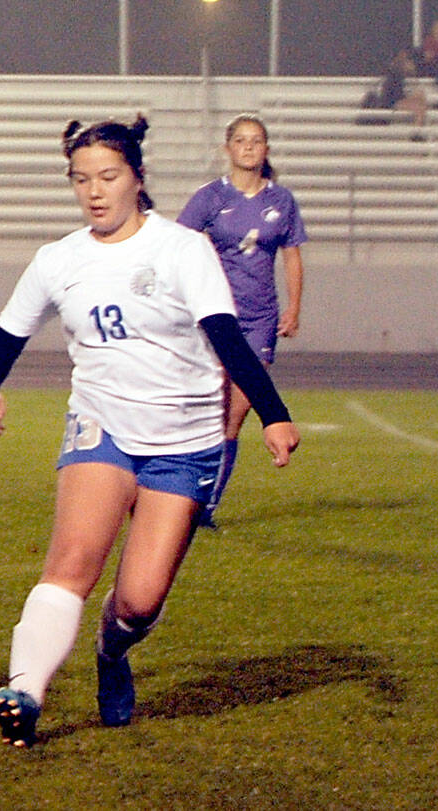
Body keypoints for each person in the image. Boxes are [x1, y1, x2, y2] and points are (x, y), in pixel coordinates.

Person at [0, 116, 299, 748]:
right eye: (81, 179)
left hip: (184, 440)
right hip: (104, 426)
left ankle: (111, 653)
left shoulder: (181, 250)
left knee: (140, 602)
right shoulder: (58, 260)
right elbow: (7, 336)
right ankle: (24, 692)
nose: (94, 191)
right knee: (71, 563)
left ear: (138, 179)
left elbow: (228, 339)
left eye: (109, 177)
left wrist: (274, 413)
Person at [176, 113, 307, 529]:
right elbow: (177, 246)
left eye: (257, 141)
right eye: (242, 140)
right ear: (228, 148)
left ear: (266, 150)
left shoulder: (281, 201)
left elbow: (292, 254)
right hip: (214, 317)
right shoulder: (211, 197)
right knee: (206, 409)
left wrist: (294, 307)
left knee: (234, 413)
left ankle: (206, 507)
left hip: (259, 319)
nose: (249, 147)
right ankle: (185, 497)